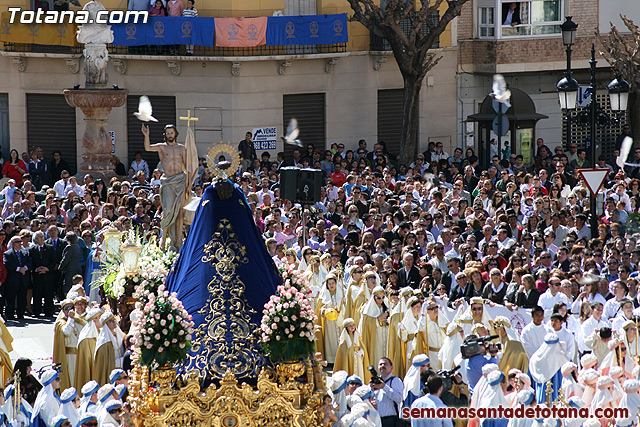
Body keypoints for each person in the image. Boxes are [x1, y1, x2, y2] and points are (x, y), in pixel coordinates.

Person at [142, 123, 197, 251]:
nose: (170, 135)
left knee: (178, 212)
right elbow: (148, 148)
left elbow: (187, 166)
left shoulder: (182, 148)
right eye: (167, 133)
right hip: (167, 181)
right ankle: (163, 236)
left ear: (175, 134)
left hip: (180, 180)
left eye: (172, 133)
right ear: (165, 135)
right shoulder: (162, 147)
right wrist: (146, 135)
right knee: (167, 210)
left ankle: (178, 240)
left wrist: (189, 184)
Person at [4, 235, 32, 320]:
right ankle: (10, 314)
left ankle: (20, 314)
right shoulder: (8, 254)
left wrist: (25, 268)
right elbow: (8, 264)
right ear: (12, 244)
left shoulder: (25, 253)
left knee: (22, 297)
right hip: (13, 280)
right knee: (11, 298)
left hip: (23, 279)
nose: (19, 244)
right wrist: (19, 269)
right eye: (17, 242)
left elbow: (30, 262)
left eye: (20, 242)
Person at [370, 357, 403, 427]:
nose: (382, 366)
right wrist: (371, 390)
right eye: (380, 364)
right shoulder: (375, 381)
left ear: (392, 367)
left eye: (385, 364)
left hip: (390, 420)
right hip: (376, 419)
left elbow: (399, 398)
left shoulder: (395, 380)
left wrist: (384, 387)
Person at [94, 311, 125, 386]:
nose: (114, 322)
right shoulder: (104, 343)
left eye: (114, 320)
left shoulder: (118, 335)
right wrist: (124, 359)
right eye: (111, 321)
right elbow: (109, 364)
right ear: (106, 325)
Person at [29, 230, 55, 317]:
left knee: (48, 293)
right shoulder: (32, 249)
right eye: (40, 237)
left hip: (47, 275)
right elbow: (30, 262)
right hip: (37, 275)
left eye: (43, 236)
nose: (42, 238)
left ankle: (49, 311)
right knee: (37, 294)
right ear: (36, 239)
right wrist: (36, 269)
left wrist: (47, 268)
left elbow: (53, 261)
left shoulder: (50, 248)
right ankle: (37, 311)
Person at [58, 232, 82, 296]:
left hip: (70, 269)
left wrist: (60, 267)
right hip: (77, 268)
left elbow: (66, 259)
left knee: (67, 287)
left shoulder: (69, 247)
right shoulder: (77, 246)